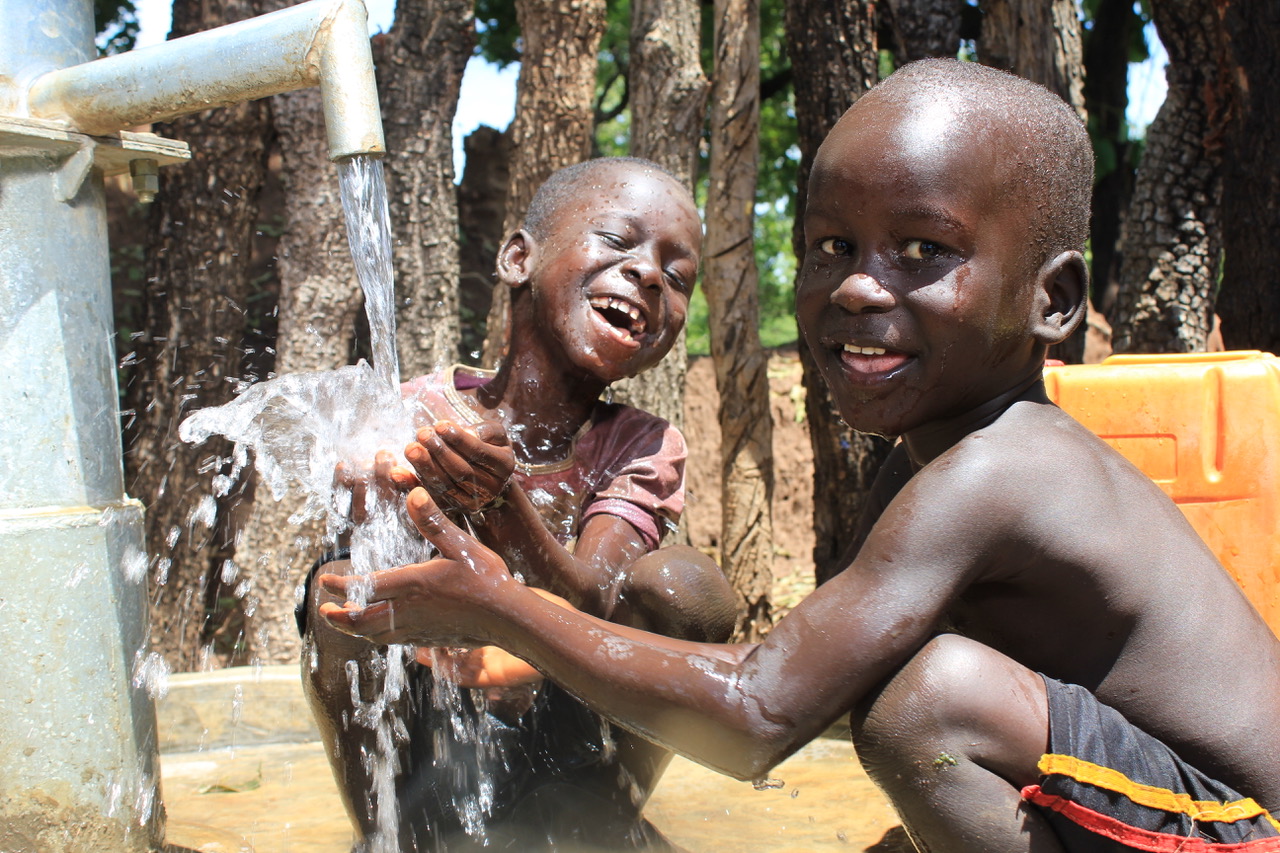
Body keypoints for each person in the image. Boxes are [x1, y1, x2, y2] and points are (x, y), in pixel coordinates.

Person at [319, 59, 1280, 852]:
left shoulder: (1003, 467)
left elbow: (760, 714)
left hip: (1247, 824)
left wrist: (501, 606)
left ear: (1054, 300)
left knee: (931, 706)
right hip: (1163, 805)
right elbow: (809, 690)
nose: (858, 286)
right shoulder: (930, 465)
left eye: (921, 249)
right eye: (829, 244)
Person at [301, 156, 740, 852]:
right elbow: (354, 553)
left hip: (572, 730)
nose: (651, 276)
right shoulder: (414, 414)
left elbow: (597, 595)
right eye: (619, 242)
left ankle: (597, 815)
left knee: (686, 586)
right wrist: (369, 485)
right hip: (427, 734)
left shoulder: (639, 445)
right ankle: (396, 833)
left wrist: (505, 507)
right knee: (335, 583)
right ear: (518, 258)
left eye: (677, 277)